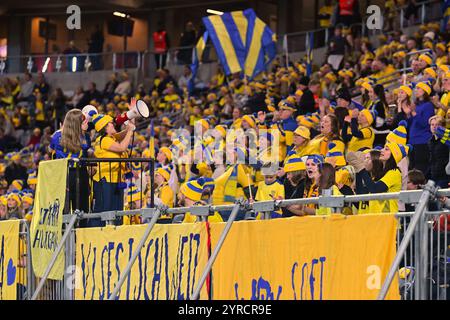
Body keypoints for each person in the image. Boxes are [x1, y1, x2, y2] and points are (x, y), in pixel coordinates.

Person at [91, 109, 135, 226]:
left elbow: (123, 134)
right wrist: (129, 132)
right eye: (111, 123)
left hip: (116, 179)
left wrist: (131, 116)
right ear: (105, 127)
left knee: (116, 210)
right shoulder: (104, 140)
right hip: (106, 179)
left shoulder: (111, 138)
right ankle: (97, 233)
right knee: (105, 210)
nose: (113, 124)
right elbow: (121, 148)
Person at [49, 109, 91, 215]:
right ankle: (81, 229)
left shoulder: (56, 135)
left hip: (63, 173)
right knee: (82, 206)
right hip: (79, 173)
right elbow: (86, 146)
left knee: (64, 206)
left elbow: (50, 150)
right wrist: (84, 132)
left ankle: (64, 230)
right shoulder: (83, 135)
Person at [406, 82, 435, 174]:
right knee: (412, 168)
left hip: (422, 141)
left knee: (420, 169)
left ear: (425, 91)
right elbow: (412, 123)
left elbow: (426, 124)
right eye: (416, 88)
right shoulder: (417, 105)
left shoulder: (428, 105)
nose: (416, 90)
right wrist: (408, 114)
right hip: (413, 141)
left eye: (419, 88)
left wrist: (414, 113)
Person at [428, 116, 450, 187]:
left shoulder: (447, 140)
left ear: (442, 126)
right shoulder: (430, 141)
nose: (434, 127)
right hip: (434, 175)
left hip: (445, 176)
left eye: (437, 125)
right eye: (432, 124)